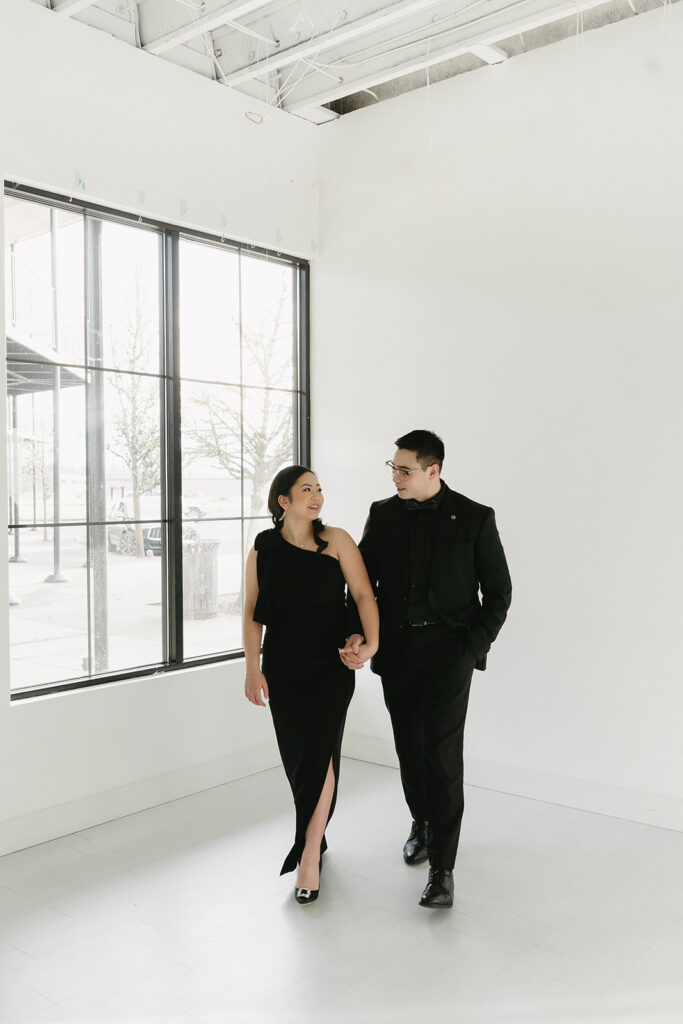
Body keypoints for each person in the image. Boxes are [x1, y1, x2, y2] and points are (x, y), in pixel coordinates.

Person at [342, 430, 511, 909]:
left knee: (442, 755)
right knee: (410, 748)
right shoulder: (383, 514)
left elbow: (498, 593)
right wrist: (359, 633)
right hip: (396, 651)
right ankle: (421, 820)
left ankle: (443, 868)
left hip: (447, 653)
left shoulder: (475, 518)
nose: (396, 477)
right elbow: (361, 584)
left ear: (432, 470)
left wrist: (470, 647)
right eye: (392, 468)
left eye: (404, 469)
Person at [243, 465, 379, 905]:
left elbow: (362, 595)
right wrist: (252, 667)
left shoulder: (337, 540)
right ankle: (315, 836)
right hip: (283, 668)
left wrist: (369, 642)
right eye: (306, 490)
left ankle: (307, 855)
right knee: (300, 762)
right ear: (283, 501)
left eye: (319, 489)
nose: (317, 496)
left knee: (320, 755)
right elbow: (251, 613)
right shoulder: (263, 548)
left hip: (329, 666)